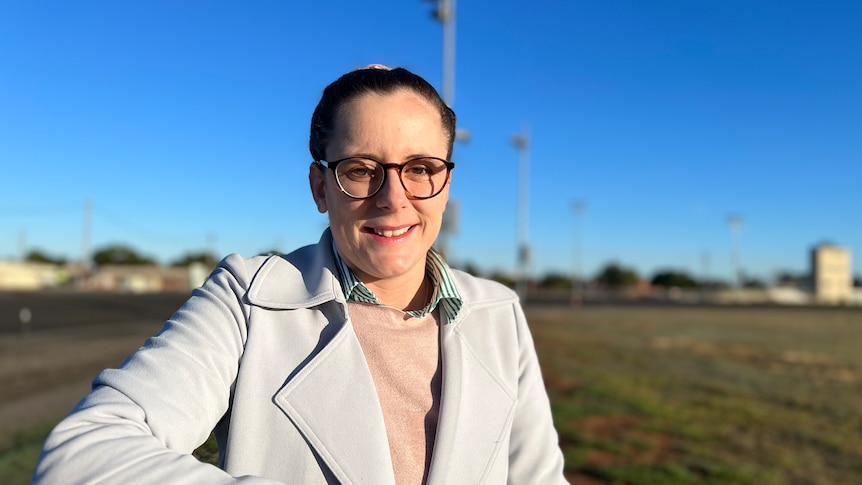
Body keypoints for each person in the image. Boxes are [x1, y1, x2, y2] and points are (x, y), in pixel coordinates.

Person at [33, 65, 568, 484]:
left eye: (421, 169)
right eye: (361, 170)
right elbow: (84, 457)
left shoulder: (499, 313)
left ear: (446, 185)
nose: (394, 198)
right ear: (319, 187)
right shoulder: (246, 297)